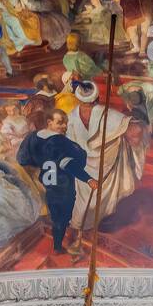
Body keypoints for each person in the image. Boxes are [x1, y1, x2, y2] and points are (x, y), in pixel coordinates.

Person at [65, 80, 148, 226]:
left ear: (78, 97)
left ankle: (83, 222)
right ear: (97, 97)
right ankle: (99, 218)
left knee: (84, 199)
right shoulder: (108, 115)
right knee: (102, 197)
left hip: (82, 168)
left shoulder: (71, 117)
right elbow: (136, 131)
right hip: (106, 166)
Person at [17, 109, 98, 254]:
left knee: (55, 215)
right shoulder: (61, 142)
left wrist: (38, 169)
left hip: (44, 185)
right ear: (49, 122)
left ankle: (57, 239)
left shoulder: (32, 137)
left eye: (65, 123)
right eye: (60, 123)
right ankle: (57, 247)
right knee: (62, 217)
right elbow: (70, 164)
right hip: (62, 187)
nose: (64, 126)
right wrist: (89, 179)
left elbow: (22, 159)